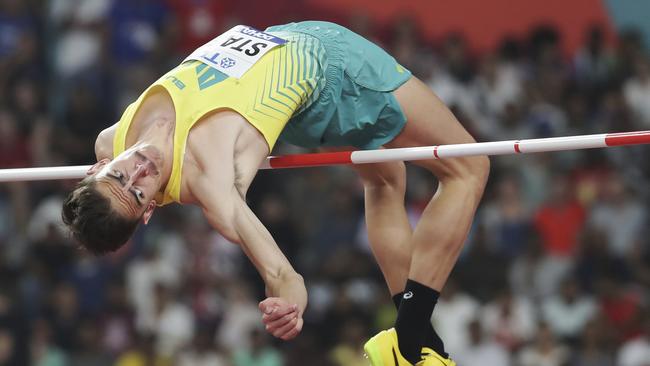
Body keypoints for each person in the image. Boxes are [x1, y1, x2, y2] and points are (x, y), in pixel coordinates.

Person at [61, 21, 489, 365]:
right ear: (151, 209)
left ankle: (411, 347)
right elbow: (280, 273)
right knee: (469, 166)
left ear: (102, 165)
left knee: (384, 178)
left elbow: (111, 180)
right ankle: (412, 341)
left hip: (289, 72)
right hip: (334, 70)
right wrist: (288, 296)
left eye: (119, 177)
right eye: (138, 195)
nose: (139, 173)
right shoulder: (211, 180)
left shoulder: (108, 140)